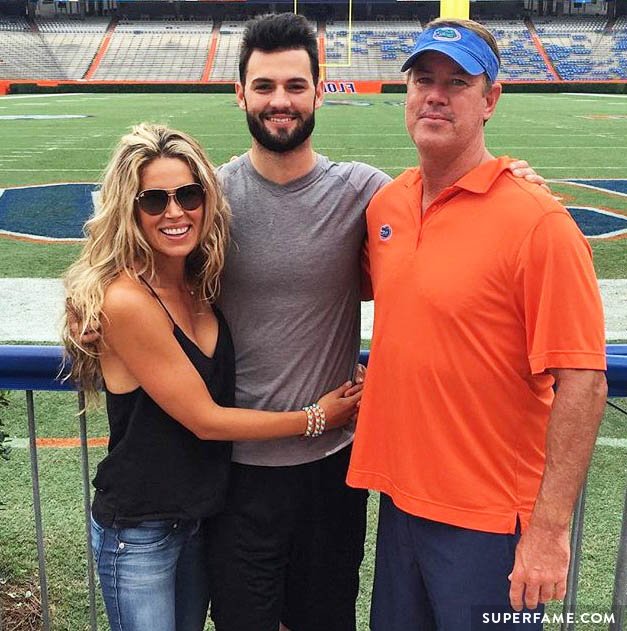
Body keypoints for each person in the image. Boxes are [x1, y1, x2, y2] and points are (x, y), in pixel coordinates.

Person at [69, 14, 546, 631]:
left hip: (332, 469)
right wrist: (84, 302)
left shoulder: (367, 194)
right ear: (240, 92)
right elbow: (128, 258)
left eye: (295, 85)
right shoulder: (210, 198)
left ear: (319, 91)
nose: (280, 101)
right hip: (236, 474)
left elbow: (449, 202)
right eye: (264, 86)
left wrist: (517, 180)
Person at [346, 18, 608, 631]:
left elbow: (584, 381)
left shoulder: (537, 222)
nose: (435, 95)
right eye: (423, 80)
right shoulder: (388, 206)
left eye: (457, 82)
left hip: (491, 520)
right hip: (402, 503)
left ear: (490, 100)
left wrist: (548, 532)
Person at [61, 122, 362, 631]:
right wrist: (316, 418)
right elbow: (205, 419)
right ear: (129, 210)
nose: (174, 212)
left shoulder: (201, 282)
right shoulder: (127, 300)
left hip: (198, 518)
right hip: (140, 530)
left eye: (188, 194)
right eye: (153, 200)